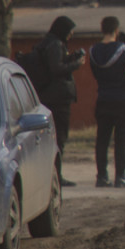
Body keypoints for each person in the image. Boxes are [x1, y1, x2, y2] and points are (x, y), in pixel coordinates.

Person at [87, 15, 125, 188]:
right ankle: (121, 176)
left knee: (102, 139)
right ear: (117, 31)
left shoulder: (93, 51)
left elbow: (95, 74)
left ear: (102, 30)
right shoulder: (122, 49)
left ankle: (102, 176)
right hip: (123, 99)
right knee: (121, 139)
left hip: (103, 98)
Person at [36, 15, 86, 187]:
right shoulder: (55, 45)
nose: (71, 35)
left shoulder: (48, 43)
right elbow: (56, 69)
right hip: (57, 99)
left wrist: (70, 58)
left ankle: (53, 174)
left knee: (53, 138)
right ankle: (57, 176)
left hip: (49, 96)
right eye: (70, 31)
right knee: (59, 138)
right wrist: (76, 64)